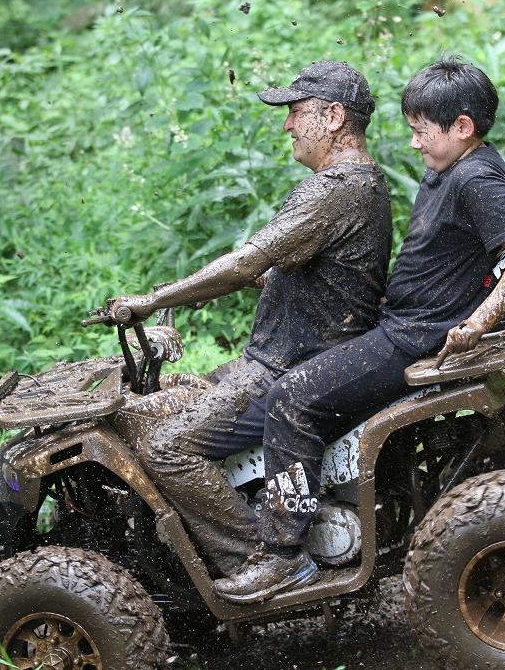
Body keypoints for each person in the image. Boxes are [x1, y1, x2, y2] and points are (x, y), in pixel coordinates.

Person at [214, 55, 505, 604]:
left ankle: (282, 554)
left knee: (290, 398)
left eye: (421, 131)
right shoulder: (470, 164)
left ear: (462, 127)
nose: (414, 143)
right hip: (405, 321)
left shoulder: (470, 176)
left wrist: (478, 319)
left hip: (411, 336)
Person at [109, 61, 392, 579]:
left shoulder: (333, 189)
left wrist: (153, 300)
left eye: (296, 112)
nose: (287, 125)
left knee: (165, 447)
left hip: (290, 368)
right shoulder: (363, 183)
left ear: (333, 117)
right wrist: (198, 290)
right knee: (167, 399)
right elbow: (305, 272)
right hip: (289, 357)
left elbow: (246, 262)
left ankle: (262, 560)